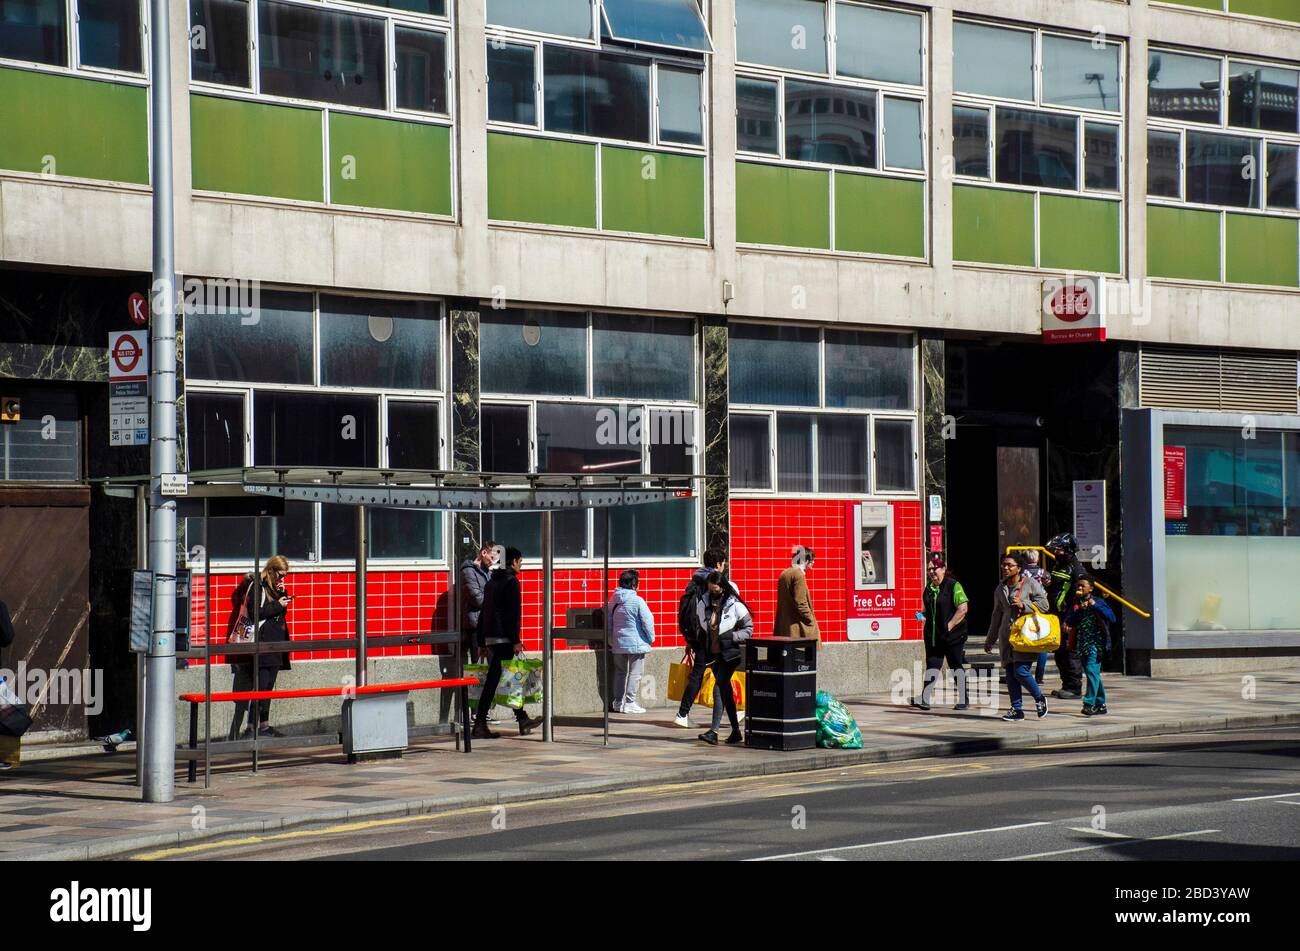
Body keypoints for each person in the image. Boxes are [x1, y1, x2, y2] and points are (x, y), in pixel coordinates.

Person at [473, 547, 543, 739]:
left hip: (491, 637)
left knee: (508, 678)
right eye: (520, 561)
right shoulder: (512, 582)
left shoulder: (491, 582)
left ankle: (522, 718)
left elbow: (483, 614)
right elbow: (512, 616)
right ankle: (480, 723)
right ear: (513, 562)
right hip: (504, 638)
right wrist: (516, 640)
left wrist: (481, 641)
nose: (521, 565)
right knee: (496, 680)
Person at [228, 555, 293, 740]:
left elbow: (281, 611)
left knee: (268, 686)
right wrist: (277, 604)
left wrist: (282, 594)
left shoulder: (275, 588)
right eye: (280, 575)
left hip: (275, 644)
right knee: (261, 686)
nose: (282, 579)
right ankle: (251, 727)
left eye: (285, 576)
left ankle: (263, 725)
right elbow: (256, 613)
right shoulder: (257, 587)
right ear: (271, 570)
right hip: (262, 644)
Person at [674, 548, 737, 728]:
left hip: (696, 634)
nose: (724, 566)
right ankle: (682, 713)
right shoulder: (714, 582)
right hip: (710, 636)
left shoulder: (694, 580)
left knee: (712, 672)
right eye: (723, 563)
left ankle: (684, 713)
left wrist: (689, 640)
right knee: (704, 673)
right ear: (718, 564)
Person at [984, 553, 1049, 721]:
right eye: (1004, 565)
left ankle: (1039, 698)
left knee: (1021, 671)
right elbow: (996, 615)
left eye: (1010, 565)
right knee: (1011, 673)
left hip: (1025, 635)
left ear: (1019, 568)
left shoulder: (1030, 584)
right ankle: (1017, 709)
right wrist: (990, 639)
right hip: (1006, 636)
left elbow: (1044, 605)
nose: (1005, 568)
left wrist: (1025, 605)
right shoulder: (1000, 589)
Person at [694, 572, 753, 745]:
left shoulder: (734, 605)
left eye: (717, 590)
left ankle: (714, 731)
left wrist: (732, 636)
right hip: (714, 654)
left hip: (730, 654)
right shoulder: (703, 603)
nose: (714, 594)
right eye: (711, 590)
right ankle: (736, 731)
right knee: (726, 693)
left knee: (718, 688)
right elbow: (701, 626)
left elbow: (749, 629)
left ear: (723, 588)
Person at [910, 555, 971, 710]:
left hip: (954, 635)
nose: (931, 572)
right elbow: (927, 611)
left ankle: (964, 699)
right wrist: (921, 616)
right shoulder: (929, 589)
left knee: (955, 664)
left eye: (934, 568)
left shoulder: (953, 586)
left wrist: (949, 625)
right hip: (934, 635)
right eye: (929, 569)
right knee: (932, 664)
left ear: (943, 569)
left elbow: (963, 608)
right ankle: (924, 698)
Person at [1064, 577, 1115, 717]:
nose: (1079, 588)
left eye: (1082, 586)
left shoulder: (1099, 601)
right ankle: (1101, 704)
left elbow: (1112, 617)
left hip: (1096, 644)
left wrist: (1095, 605)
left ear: (1090, 588)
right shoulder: (1076, 602)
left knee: (1092, 672)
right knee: (1093, 674)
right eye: (1078, 586)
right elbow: (1070, 620)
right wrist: (1079, 610)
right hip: (1082, 643)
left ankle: (1088, 703)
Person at [1044, 532, 1086, 700]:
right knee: (1059, 651)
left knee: (1070, 652)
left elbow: (1078, 596)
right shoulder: (1058, 566)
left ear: (1068, 550)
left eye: (1059, 550)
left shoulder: (1076, 569)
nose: (1055, 552)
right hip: (1057, 616)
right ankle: (1066, 685)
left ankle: (1075, 688)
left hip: (1068, 619)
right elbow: (1058, 588)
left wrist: (1071, 619)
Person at [608, 569, 655, 714]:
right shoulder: (637, 600)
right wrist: (651, 638)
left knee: (619, 672)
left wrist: (611, 639)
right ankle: (629, 702)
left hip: (618, 643)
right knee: (635, 673)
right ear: (634, 585)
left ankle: (617, 702)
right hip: (636, 643)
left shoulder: (613, 600)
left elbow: (609, 622)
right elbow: (647, 621)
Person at [459, 539, 498, 666]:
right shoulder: (468, 571)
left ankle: (490, 686)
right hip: (475, 626)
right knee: (477, 664)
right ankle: (477, 686)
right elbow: (477, 598)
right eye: (491, 558)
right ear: (484, 553)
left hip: (488, 624)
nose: (492, 562)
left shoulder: (488, 572)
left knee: (492, 664)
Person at [774, 545, 819, 640]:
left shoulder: (784, 573)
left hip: (785, 627)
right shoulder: (798, 575)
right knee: (802, 654)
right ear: (805, 560)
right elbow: (801, 603)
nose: (813, 562)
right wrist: (811, 620)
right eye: (812, 560)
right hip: (798, 631)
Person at [1021, 550, 1049, 685]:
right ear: (1037, 559)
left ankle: (1024, 671)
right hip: (1042, 607)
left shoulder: (1023, 574)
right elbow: (1049, 584)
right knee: (1042, 640)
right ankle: (1040, 675)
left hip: (1027, 607)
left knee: (1027, 636)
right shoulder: (1044, 573)